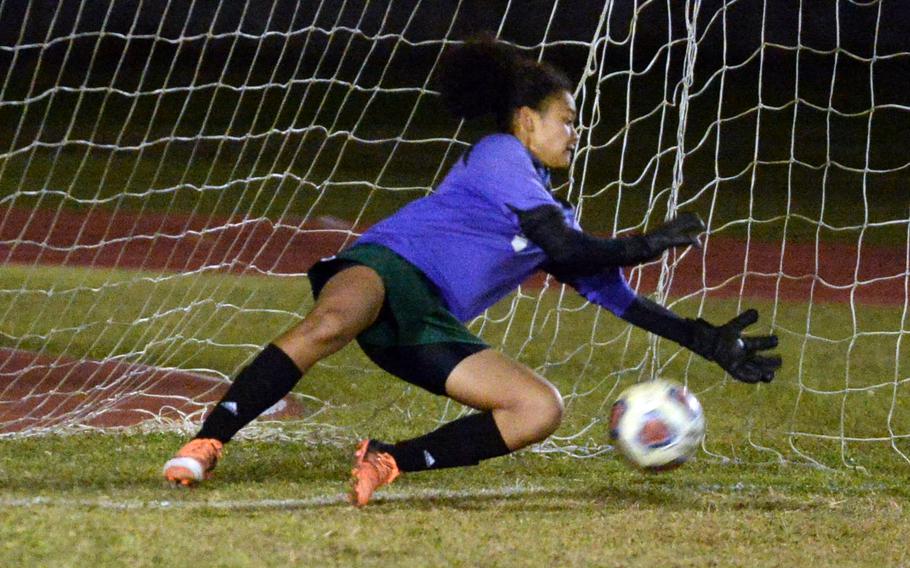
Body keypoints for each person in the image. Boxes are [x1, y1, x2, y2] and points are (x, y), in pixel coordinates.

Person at [162, 36, 781, 507]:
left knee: (539, 409)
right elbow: (565, 246)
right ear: (525, 120)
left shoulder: (552, 212)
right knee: (335, 317)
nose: (576, 134)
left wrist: (702, 338)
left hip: (427, 322)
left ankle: (387, 461)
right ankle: (208, 442)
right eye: (567, 120)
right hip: (386, 269)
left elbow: (615, 297)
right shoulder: (499, 155)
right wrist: (646, 243)